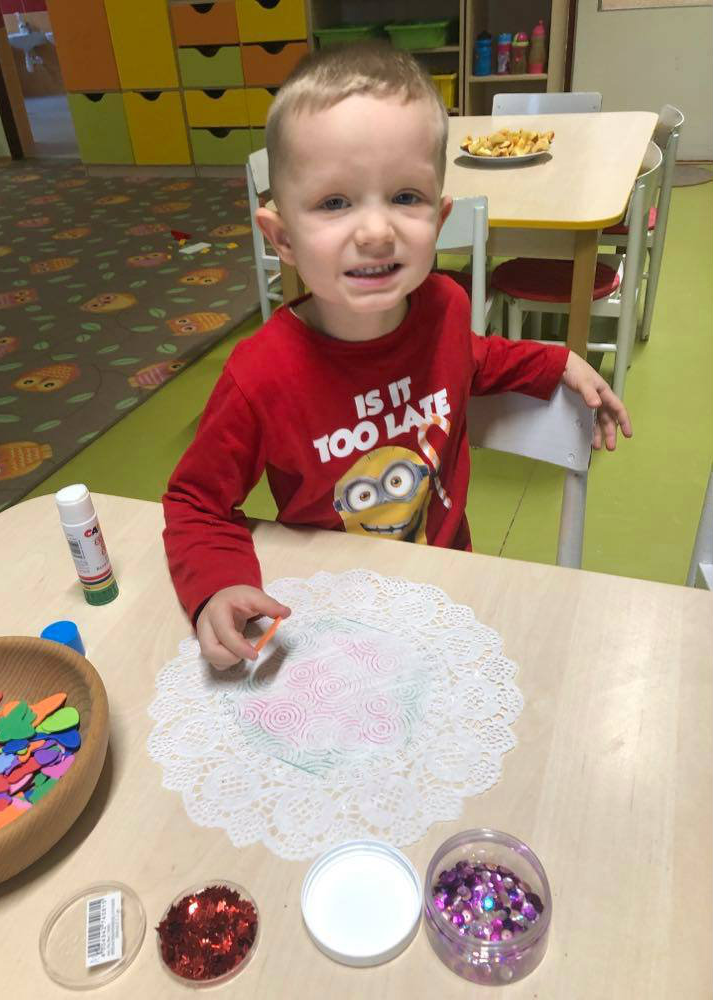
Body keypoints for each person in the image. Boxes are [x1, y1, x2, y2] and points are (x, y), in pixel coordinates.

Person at [163, 43, 631, 670]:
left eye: (406, 197)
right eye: (334, 202)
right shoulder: (260, 376)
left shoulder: (444, 307)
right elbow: (195, 503)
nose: (377, 232)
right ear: (283, 239)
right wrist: (217, 587)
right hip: (334, 618)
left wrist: (558, 361)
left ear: (439, 219)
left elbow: (474, 358)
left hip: (448, 594)